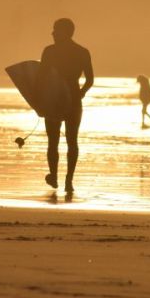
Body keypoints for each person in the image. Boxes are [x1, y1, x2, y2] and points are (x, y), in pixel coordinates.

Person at [36, 18, 94, 193]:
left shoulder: (49, 52)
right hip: (74, 100)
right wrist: (81, 92)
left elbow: (40, 78)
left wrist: (39, 102)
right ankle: (68, 181)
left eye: (56, 30)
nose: (52, 33)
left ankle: (55, 177)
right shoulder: (82, 52)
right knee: (72, 141)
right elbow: (90, 80)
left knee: (53, 141)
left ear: (66, 32)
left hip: (53, 100)